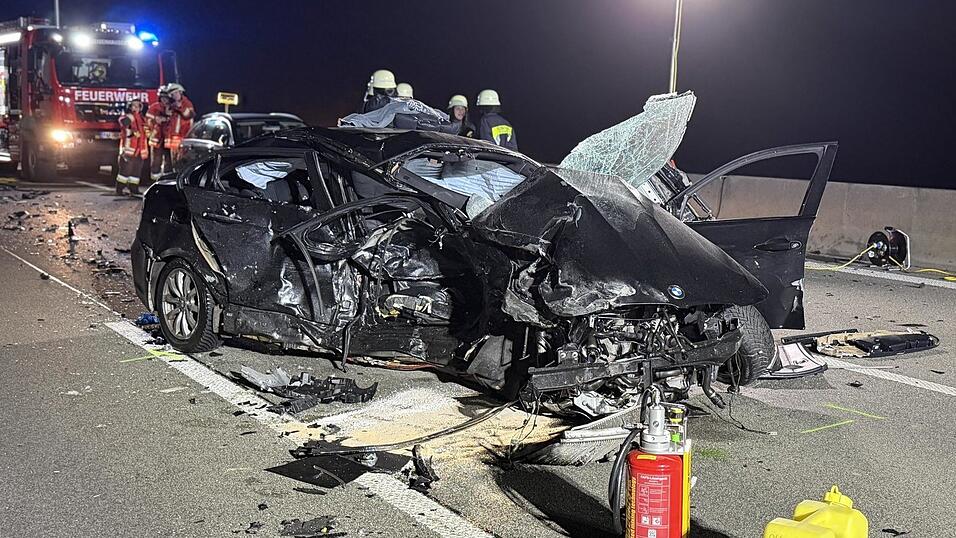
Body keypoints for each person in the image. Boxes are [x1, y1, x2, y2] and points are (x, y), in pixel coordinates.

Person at [116, 98, 148, 195]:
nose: (136, 108)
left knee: (136, 171)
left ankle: (134, 189)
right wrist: (133, 131)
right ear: (129, 107)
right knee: (125, 170)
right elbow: (123, 123)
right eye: (133, 106)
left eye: (137, 106)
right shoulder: (128, 117)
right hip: (129, 149)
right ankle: (120, 189)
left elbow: (146, 131)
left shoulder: (143, 119)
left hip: (140, 150)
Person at [146, 85, 172, 180]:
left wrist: (166, 118)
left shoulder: (172, 108)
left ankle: (166, 179)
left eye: (166, 98)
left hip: (168, 139)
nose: (165, 100)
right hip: (156, 138)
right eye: (163, 97)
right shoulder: (154, 107)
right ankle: (154, 180)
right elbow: (148, 120)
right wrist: (156, 121)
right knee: (156, 160)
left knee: (169, 160)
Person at [165, 83, 195, 162]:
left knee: (181, 160)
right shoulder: (173, 105)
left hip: (183, 136)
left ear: (180, 92)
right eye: (172, 94)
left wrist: (180, 107)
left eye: (176, 93)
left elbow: (188, 115)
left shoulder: (187, 103)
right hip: (174, 137)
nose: (174, 95)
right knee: (174, 160)